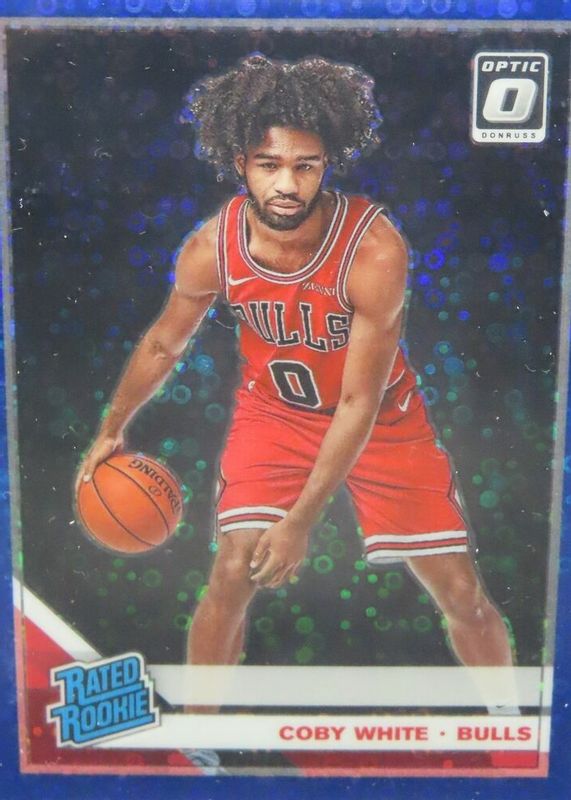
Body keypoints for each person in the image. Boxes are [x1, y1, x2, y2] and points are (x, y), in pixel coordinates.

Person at [77, 55, 513, 679]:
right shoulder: (212, 247)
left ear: (326, 164)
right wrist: (111, 427)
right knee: (232, 571)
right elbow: (161, 345)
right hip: (275, 416)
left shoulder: (373, 249)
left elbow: (359, 403)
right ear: (240, 164)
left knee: (462, 594)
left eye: (305, 166)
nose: (287, 183)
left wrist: (299, 522)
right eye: (269, 164)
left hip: (382, 421)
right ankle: (201, 726)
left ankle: (506, 717)